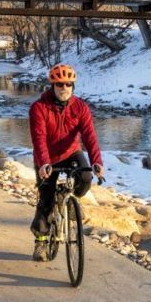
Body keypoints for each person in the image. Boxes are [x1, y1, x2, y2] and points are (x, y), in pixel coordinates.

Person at [28, 63, 104, 261]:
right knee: (46, 198)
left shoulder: (80, 107)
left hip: (71, 152)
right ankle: (41, 242)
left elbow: (89, 136)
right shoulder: (39, 108)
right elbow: (39, 139)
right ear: (53, 86)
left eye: (68, 84)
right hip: (46, 157)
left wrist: (97, 161)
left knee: (86, 176)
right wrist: (44, 163)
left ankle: (70, 200)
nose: (64, 88)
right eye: (60, 84)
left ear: (73, 86)